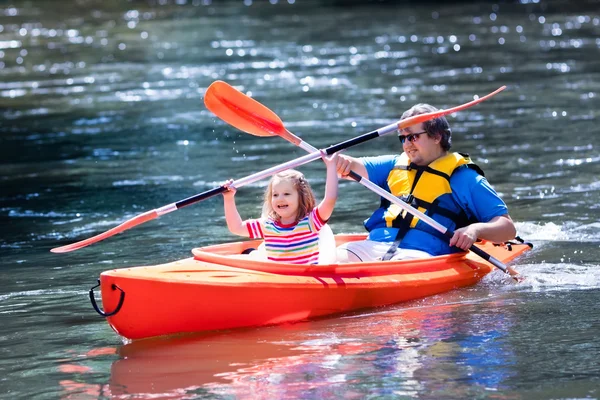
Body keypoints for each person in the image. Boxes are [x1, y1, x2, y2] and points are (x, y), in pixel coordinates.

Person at [335, 103, 516, 262]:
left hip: (422, 256)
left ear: (437, 137)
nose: (406, 144)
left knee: (397, 266)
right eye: (402, 138)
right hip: (374, 246)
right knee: (334, 258)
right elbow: (352, 166)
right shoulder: (392, 165)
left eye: (413, 137)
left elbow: (507, 228)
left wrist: (475, 230)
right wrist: (339, 161)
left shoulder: (465, 178)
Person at [222, 152, 339, 265]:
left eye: (287, 194)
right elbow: (236, 227)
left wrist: (331, 166)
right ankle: (251, 253)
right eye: (275, 195)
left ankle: (252, 253)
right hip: (278, 279)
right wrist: (229, 198)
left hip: (306, 281)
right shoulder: (267, 225)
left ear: (302, 196)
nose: (280, 199)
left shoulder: (311, 222)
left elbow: (330, 199)